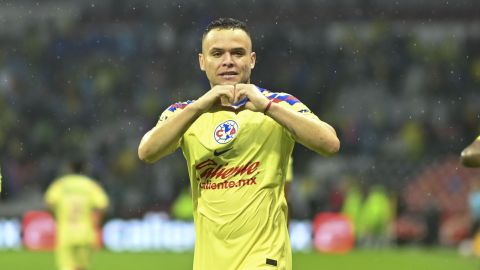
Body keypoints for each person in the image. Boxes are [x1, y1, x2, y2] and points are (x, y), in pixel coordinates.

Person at [138, 17, 340, 270]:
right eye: (217, 53)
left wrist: (267, 107)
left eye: (237, 53)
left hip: (265, 259)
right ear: (202, 61)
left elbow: (329, 143)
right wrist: (201, 105)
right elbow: (147, 151)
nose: (228, 61)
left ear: (252, 60)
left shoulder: (278, 104)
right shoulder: (184, 113)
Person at [44, 159, 109, 270]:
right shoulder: (91, 185)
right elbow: (103, 206)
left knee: (66, 267)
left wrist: (56, 217)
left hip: (66, 233)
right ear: (84, 170)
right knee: (82, 267)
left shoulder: (60, 184)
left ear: (69, 169)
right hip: (86, 233)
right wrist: (97, 221)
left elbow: (49, 203)